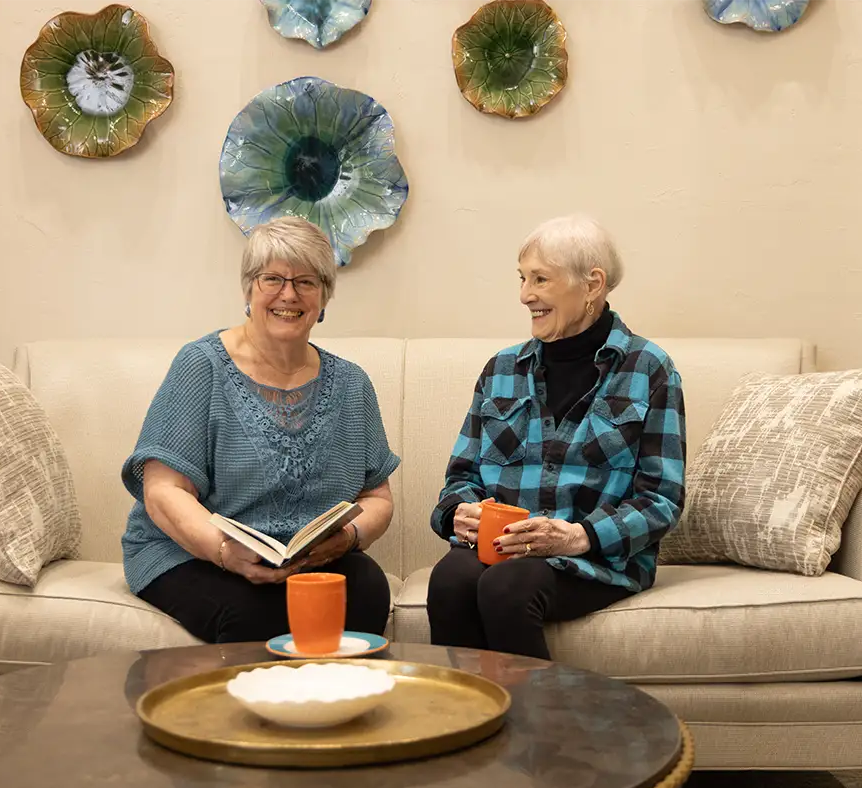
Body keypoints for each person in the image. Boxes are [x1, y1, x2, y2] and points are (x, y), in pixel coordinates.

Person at [121, 216, 400, 643]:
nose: (288, 294)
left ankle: (336, 708)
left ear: (324, 297)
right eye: (272, 278)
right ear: (249, 290)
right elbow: (163, 492)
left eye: (306, 281)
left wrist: (346, 540)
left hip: (301, 560)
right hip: (191, 554)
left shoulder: (351, 384)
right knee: (254, 614)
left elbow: (376, 497)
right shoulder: (202, 366)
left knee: (367, 589)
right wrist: (223, 551)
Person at [427, 214, 686, 659]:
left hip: (594, 557)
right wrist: (457, 514)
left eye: (541, 279)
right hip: (501, 546)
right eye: (523, 278)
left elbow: (661, 498)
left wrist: (578, 536)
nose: (525, 295)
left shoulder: (648, 369)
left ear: (592, 285)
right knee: (450, 580)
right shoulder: (502, 370)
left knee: (507, 587)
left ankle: (537, 728)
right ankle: (463, 721)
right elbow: (462, 475)